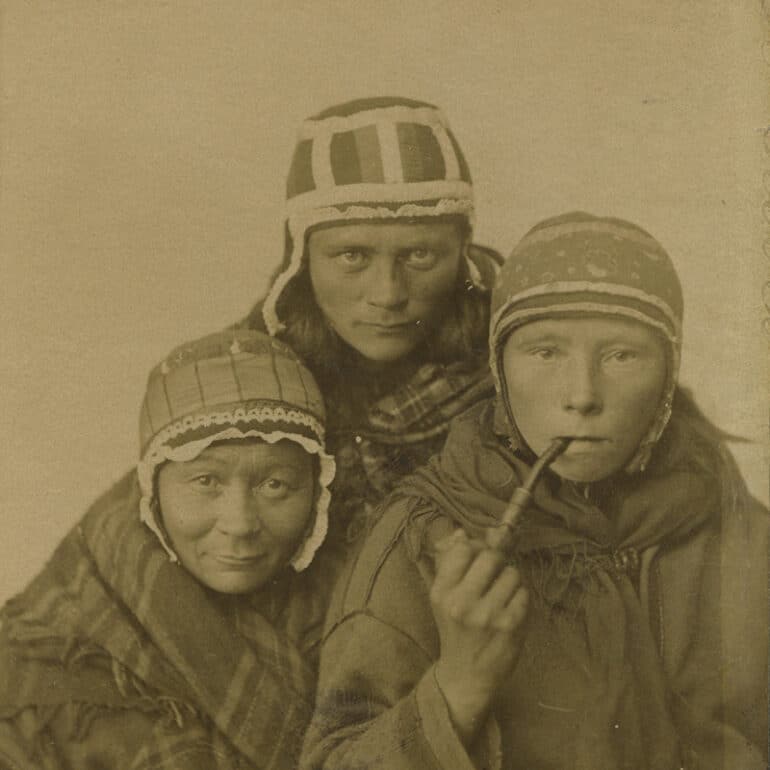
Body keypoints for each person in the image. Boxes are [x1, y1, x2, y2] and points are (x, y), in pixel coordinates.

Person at [300, 212, 769, 770]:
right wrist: (459, 685)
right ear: (500, 370)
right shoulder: (419, 538)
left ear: (668, 376)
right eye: (545, 352)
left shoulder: (739, 533)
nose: (581, 395)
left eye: (622, 355)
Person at [0, 329, 338, 769]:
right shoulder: (44, 653)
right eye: (206, 482)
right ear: (153, 489)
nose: (239, 524)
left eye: (275, 485)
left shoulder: (358, 611)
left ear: (316, 490)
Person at [241, 95, 501, 549]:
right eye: (352, 256)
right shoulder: (239, 380)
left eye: (420, 255)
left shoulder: (531, 370)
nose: (388, 295)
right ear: (300, 260)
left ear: (463, 254)